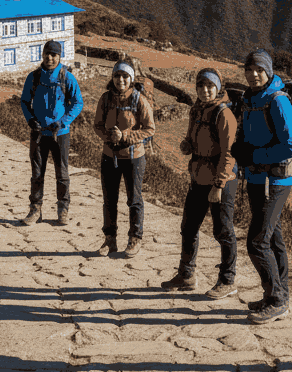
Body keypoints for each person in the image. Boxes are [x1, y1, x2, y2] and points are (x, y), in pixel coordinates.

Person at [230, 49, 292, 325]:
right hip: (258, 179)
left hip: (277, 179)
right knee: (273, 238)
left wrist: (255, 156)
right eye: (249, 70)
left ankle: (277, 299)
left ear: (269, 71)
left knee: (257, 241)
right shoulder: (250, 99)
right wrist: (242, 151)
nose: (253, 74)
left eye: (259, 69)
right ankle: (278, 294)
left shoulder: (278, 101)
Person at [162, 68, 239, 298]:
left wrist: (218, 185)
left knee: (223, 231)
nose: (205, 91)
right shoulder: (197, 110)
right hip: (198, 178)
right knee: (188, 227)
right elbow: (190, 137)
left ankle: (228, 280)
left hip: (220, 181)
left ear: (218, 88)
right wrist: (187, 145)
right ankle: (186, 275)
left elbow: (229, 153)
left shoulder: (224, 114)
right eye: (201, 86)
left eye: (209, 86)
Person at [93, 61, 155, 256]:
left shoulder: (139, 100)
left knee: (134, 200)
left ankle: (135, 239)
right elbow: (97, 125)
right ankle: (109, 240)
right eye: (117, 76)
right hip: (109, 155)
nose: (121, 80)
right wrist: (109, 137)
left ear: (132, 79)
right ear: (112, 78)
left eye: (125, 76)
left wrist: (126, 136)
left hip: (134, 158)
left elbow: (149, 128)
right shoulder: (105, 99)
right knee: (109, 200)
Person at [20, 40, 84, 226]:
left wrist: (63, 122)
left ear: (59, 56)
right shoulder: (34, 77)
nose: (50, 58)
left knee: (62, 173)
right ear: (42, 55)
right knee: (37, 174)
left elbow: (77, 102)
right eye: (47, 54)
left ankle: (63, 209)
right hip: (39, 133)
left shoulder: (67, 77)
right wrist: (30, 119)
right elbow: (25, 101)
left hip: (60, 134)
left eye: (54, 55)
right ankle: (35, 210)